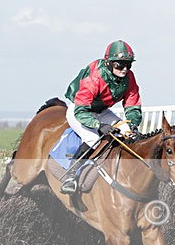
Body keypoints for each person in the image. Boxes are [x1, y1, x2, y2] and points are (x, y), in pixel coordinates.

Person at [60, 40, 142, 194]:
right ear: (109, 63)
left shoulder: (129, 77)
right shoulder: (95, 77)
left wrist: (133, 125)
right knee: (92, 139)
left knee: (126, 130)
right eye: (120, 65)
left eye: (128, 65)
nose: (125, 69)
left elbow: (132, 103)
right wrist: (98, 126)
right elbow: (81, 111)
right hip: (80, 110)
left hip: (101, 110)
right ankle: (70, 176)